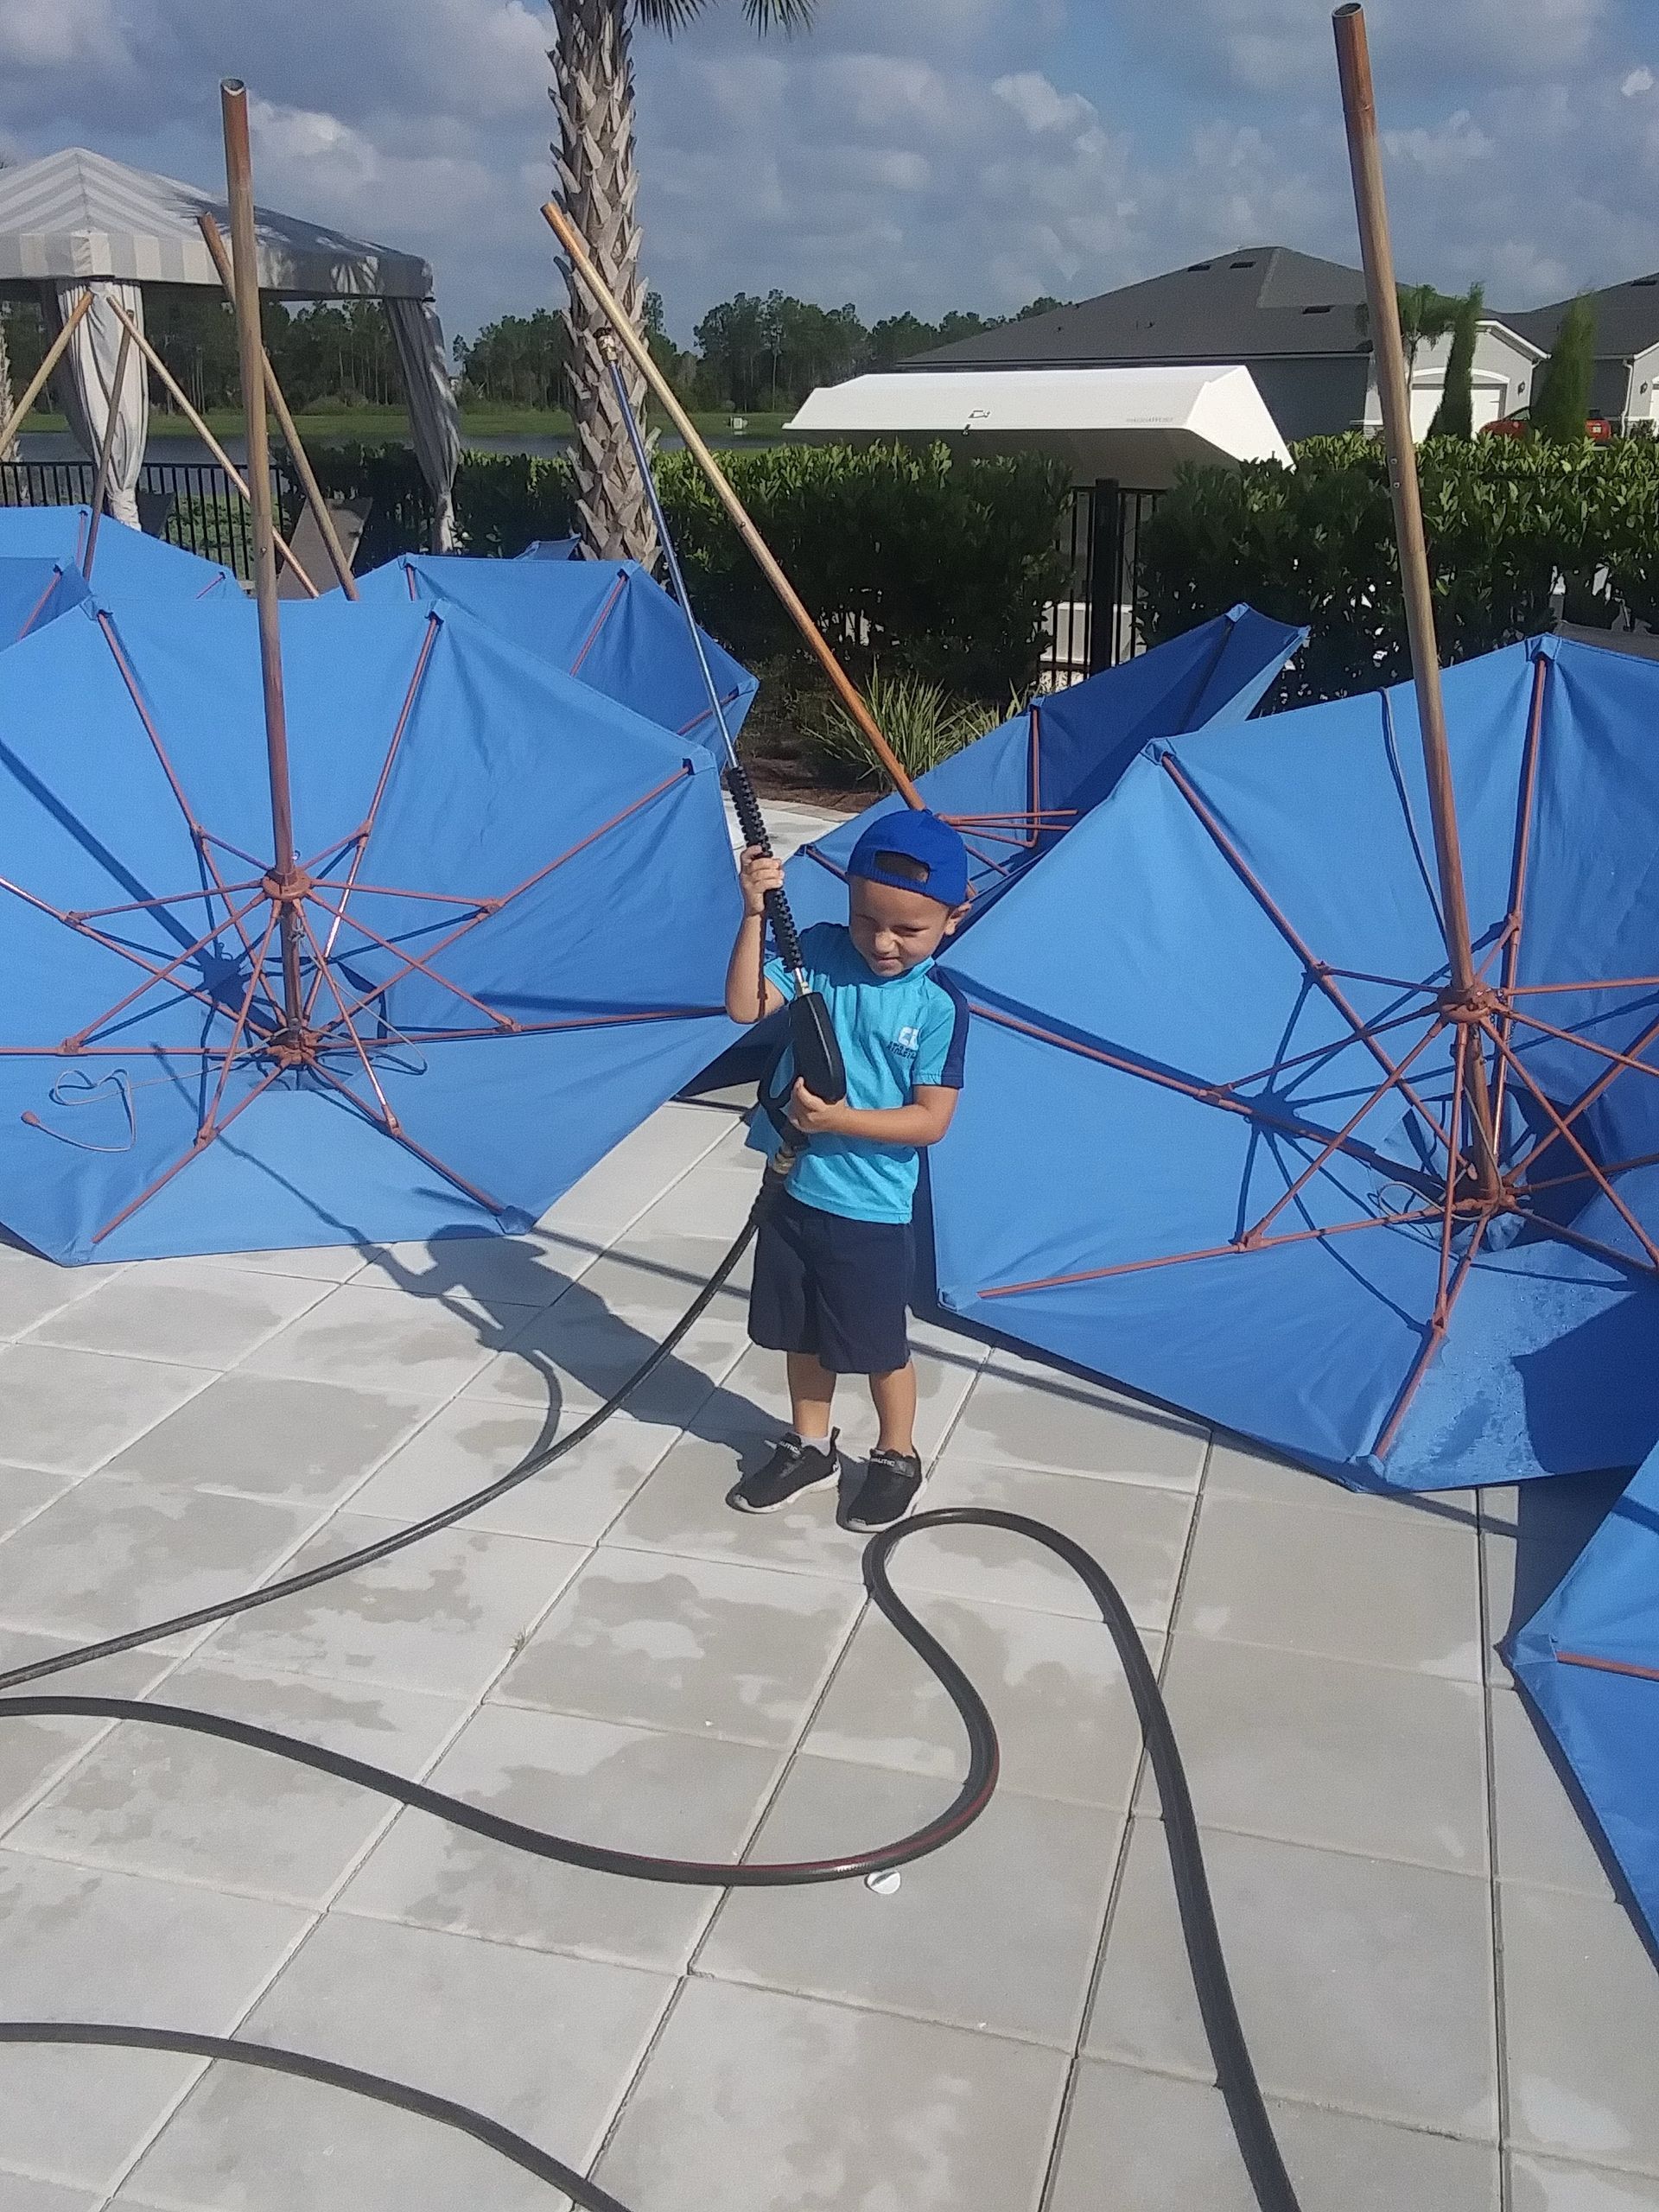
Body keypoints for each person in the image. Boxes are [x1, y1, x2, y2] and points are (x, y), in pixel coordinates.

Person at [723, 809, 970, 1530]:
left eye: (908, 930)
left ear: (954, 918)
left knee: (876, 1345)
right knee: (800, 1334)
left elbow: (930, 1120)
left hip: (871, 1208)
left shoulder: (938, 1005)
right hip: (797, 1186)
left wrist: (838, 1122)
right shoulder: (819, 956)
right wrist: (752, 914)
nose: (883, 943)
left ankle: (897, 1454)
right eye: (867, 920)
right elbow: (744, 1006)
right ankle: (810, 1443)